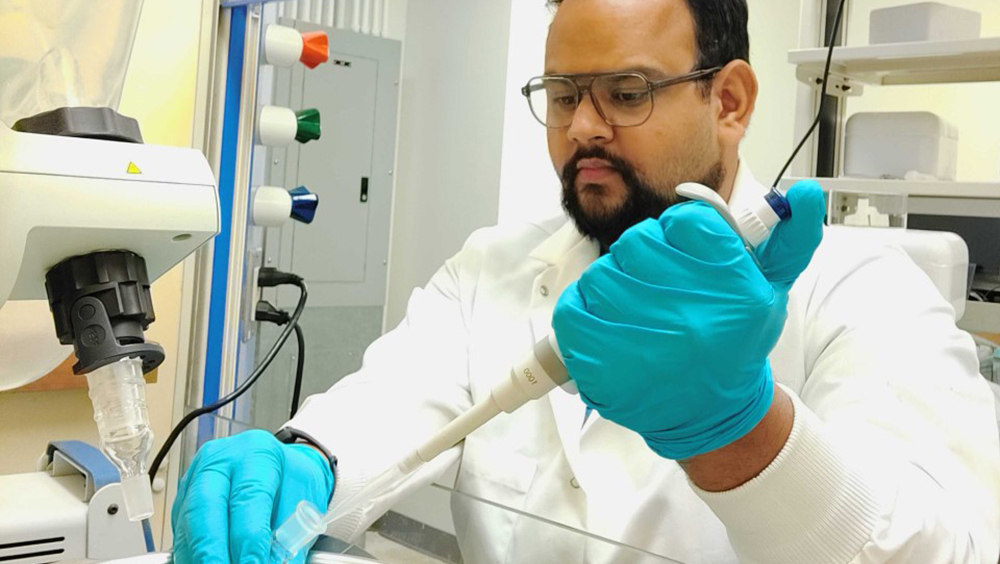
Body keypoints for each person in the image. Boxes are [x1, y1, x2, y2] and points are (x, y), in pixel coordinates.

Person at [171, 0, 1000, 562]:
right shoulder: (494, 268)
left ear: (733, 101)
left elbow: (947, 546)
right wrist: (304, 460)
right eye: (563, 94)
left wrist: (741, 434)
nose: (583, 129)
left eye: (627, 93)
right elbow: (391, 407)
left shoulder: (867, 292)